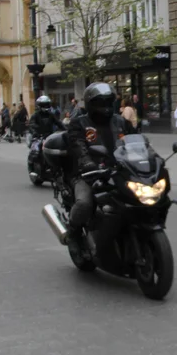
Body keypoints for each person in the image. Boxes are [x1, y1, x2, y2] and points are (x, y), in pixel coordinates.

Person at [66, 83, 127, 255]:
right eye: (101, 103)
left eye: (108, 102)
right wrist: (86, 161)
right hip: (88, 174)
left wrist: (151, 157)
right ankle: (74, 232)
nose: (106, 107)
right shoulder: (79, 123)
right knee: (85, 203)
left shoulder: (120, 121)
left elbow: (137, 140)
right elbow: (77, 144)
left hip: (118, 171)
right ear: (90, 104)